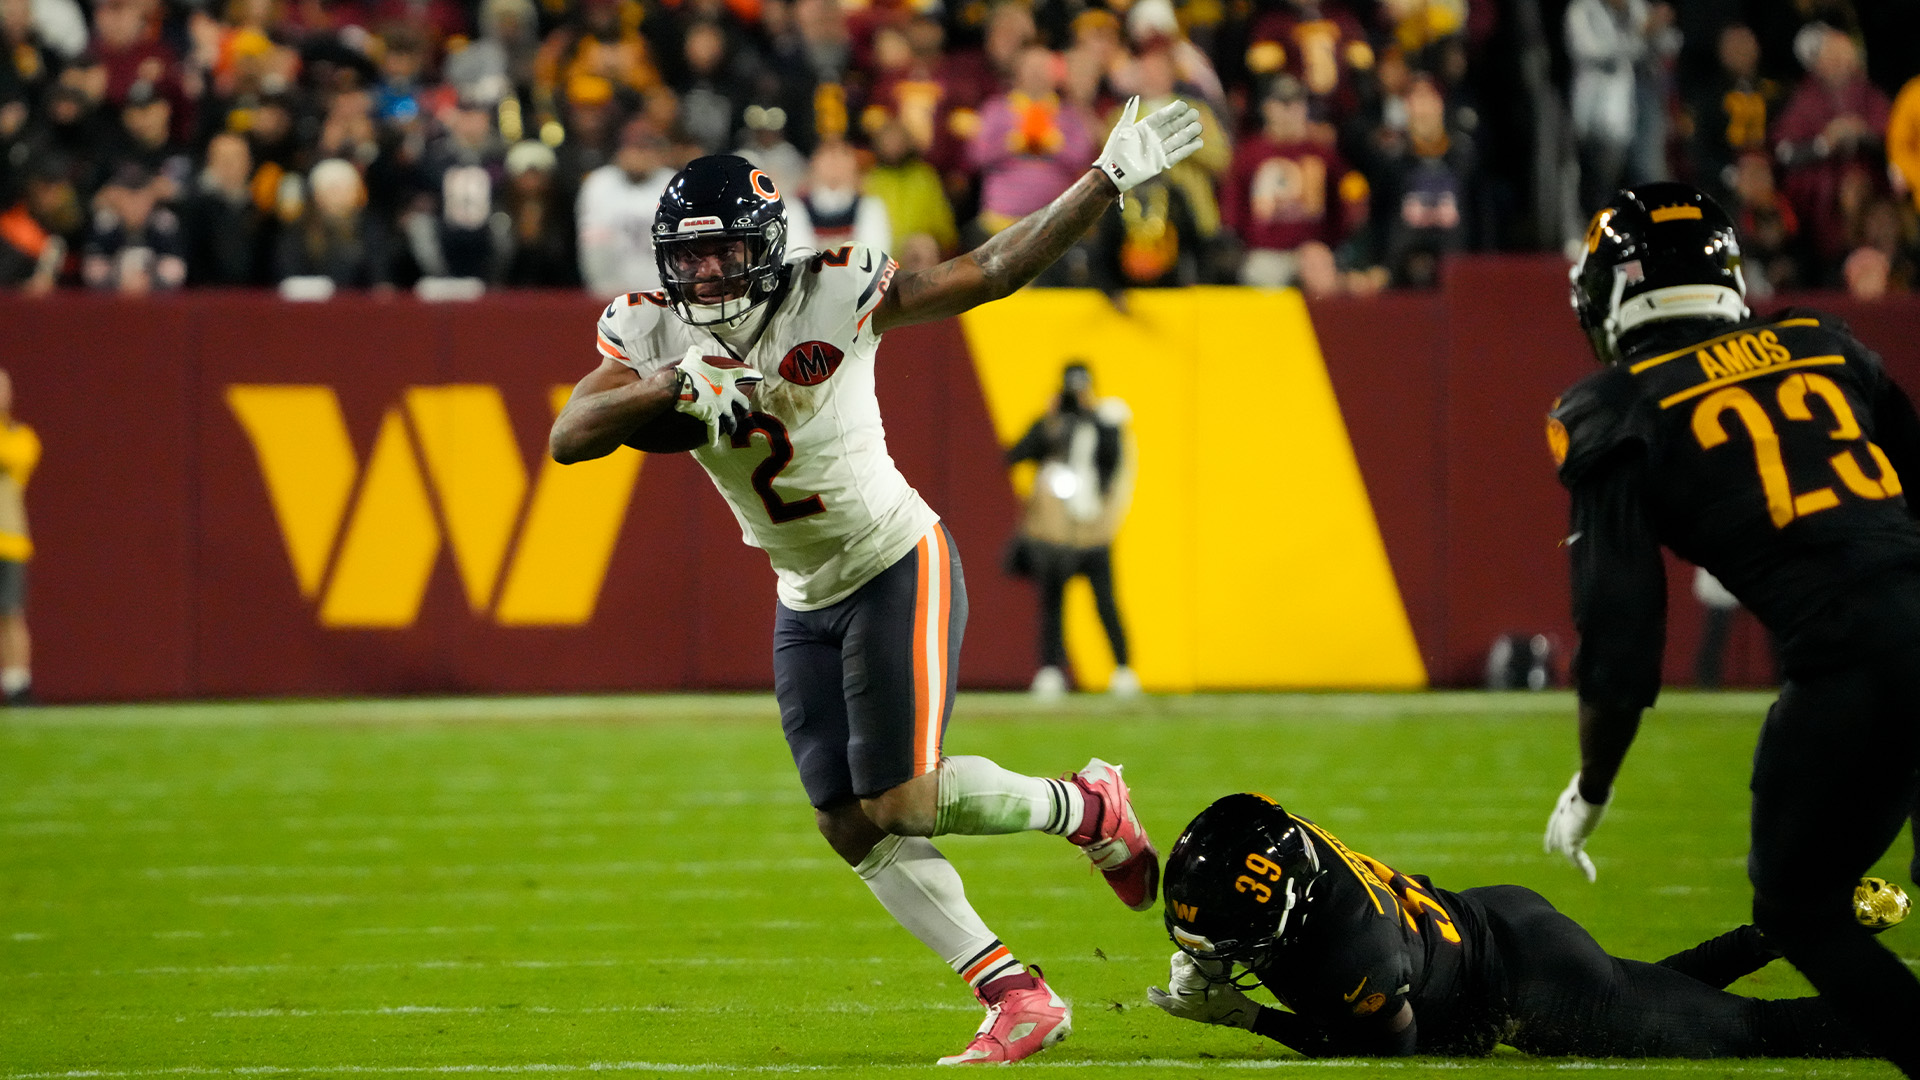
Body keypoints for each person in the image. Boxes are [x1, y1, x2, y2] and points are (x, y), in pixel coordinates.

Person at [547, 99, 1203, 1065]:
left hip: (895, 558)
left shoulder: (833, 289)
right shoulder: (649, 331)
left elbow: (988, 271)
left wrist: (1101, 182)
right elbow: (569, 437)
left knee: (899, 799)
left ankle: (1087, 806)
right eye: (690, 257)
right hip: (802, 592)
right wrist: (671, 384)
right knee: (846, 821)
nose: (707, 274)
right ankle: (1015, 993)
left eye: (725, 252)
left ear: (769, 246)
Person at [1541, 181, 1920, 1077]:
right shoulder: (1821, 342)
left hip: (1852, 657)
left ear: (1614, 296)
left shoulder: (1619, 406)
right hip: (1886, 625)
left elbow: (1622, 636)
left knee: (1797, 908)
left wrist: (1595, 782)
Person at [1148, 792, 1909, 1059]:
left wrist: (1249, 1017)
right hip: (1492, 922)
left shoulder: (1356, 953)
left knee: (1750, 1032)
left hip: (1530, 985)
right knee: (1645, 994)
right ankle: (1772, 937)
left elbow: (1392, 1048)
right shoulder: (1290, 846)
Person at [1004, 362, 1137, 698]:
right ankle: (1050, 671)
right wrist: (1048, 425)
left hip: (1093, 531)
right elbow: (1016, 455)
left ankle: (1123, 670)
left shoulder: (1104, 425)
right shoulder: (1051, 424)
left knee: (1105, 601)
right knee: (1052, 603)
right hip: (1057, 534)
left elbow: (1115, 466)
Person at [0, 369, 39, 705]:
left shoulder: (20, 436)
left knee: (11, 613)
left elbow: (15, 458)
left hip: (9, 538)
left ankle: (17, 683)